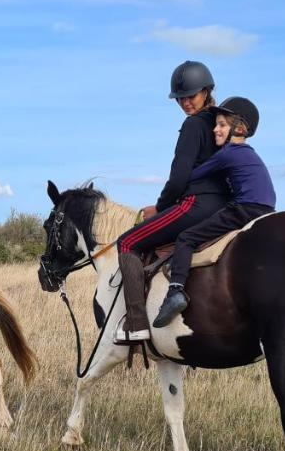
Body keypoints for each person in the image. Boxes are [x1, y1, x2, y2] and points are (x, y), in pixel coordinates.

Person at [114, 61, 231, 343]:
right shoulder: (222, 123)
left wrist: (161, 206)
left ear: (206, 91)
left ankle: (136, 323)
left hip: (195, 204)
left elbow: (178, 180)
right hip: (225, 205)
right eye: (180, 98)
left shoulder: (193, 125)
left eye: (191, 96)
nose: (185, 103)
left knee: (127, 243)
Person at [153, 97, 275, 327]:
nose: (215, 130)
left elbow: (192, 175)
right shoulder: (248, 153)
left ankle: (175, 291)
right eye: (215, 124)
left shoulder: (228, 154)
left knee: (187, 237)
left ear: (238, 129)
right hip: (265, 208)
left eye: (221, 125)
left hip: (244, 209)